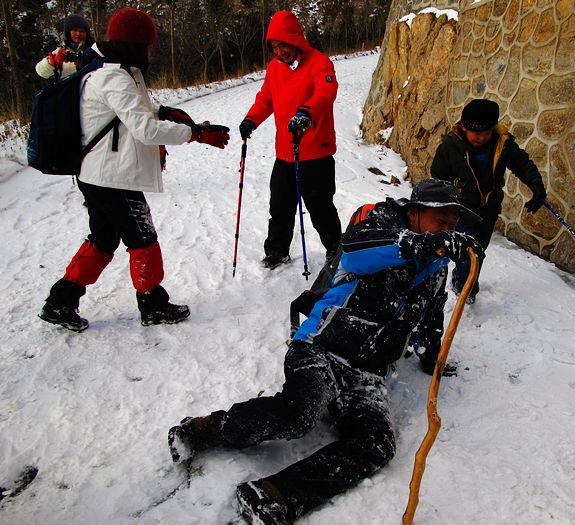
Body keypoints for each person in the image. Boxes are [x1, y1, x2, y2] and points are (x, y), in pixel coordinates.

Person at [167, 179, 482, 524]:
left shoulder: (436, 269)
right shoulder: (383, 226)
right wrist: (420, 244)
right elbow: (354, 252)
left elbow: (430, 319)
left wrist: (431, 358)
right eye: (442, 220)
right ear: (415, 212)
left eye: (453, 224)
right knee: (299, 414)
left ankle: (274, 495)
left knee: (376, 443)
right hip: (322, 347)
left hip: (368, 374)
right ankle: (206, 429)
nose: (448, 228)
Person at [38, 7, 230, 332]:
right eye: (148, 45)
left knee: (102, 240)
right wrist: (195, 134)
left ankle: (60, 301)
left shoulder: (119, 70)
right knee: (143, 238)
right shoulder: (112, 76)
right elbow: (144, 129)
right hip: (111, 176)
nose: (151, 52)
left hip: (98, 174)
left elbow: (136, 110)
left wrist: (165, 110)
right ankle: (153, 304)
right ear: (136, 44)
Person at [238, 10, 342, 270]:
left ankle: (336, 249)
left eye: (282, 45)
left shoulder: (319, 62)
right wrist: (251, 119)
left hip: (315, 151)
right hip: (285, 152)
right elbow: (266, 99)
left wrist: (307, 112)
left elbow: (327, 90)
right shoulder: (274, 68)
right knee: (280, 205)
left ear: (294, 39)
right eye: (274, 46)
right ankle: (277, 250)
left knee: (320, 207)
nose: (278, 52)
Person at [431, 98, 547, 303]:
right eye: (477, 133)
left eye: (486, 132)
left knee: (478, 250)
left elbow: (521, 163)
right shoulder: (450, 146)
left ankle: (462, 279)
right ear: (465, 127)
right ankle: (465, 291)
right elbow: (437, 176)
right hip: (462, 211)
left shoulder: (501, 143)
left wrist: (536, 185)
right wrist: (447, 202)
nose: (482, 137)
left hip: (489, 210)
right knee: (472, 253)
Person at [35, 14, 94, 80]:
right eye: (75, 30)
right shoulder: (61, 52)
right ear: (68, 32)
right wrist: (51, 63)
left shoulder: (94, 50)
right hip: (69, 88)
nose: (78, 34)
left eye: (82, 31)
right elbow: (41, 72)